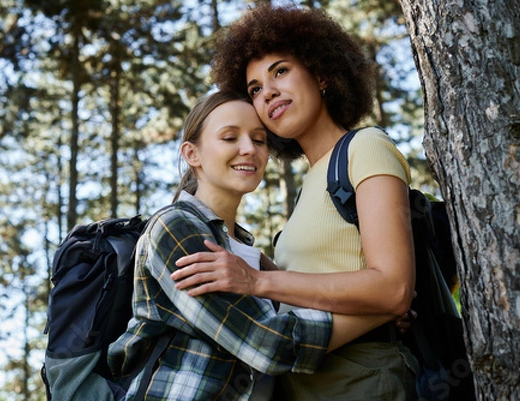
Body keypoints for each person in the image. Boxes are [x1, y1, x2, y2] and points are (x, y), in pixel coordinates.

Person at [171, 4, 419, 400]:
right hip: (299, 381)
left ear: (321, 74)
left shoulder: (364, 147)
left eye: (280, 71)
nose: (267, 92)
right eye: (254, 89)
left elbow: (393, 288)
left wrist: (259, 280)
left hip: (359, 381)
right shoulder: (309, 184)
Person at [107, 90, 396, 401]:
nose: (249, 149)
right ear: (192, 154)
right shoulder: (175, 228)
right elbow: (269, 345)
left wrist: (372, 301)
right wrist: (382, 309)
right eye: (230, 137)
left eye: (259, 140)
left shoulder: (247, 255)